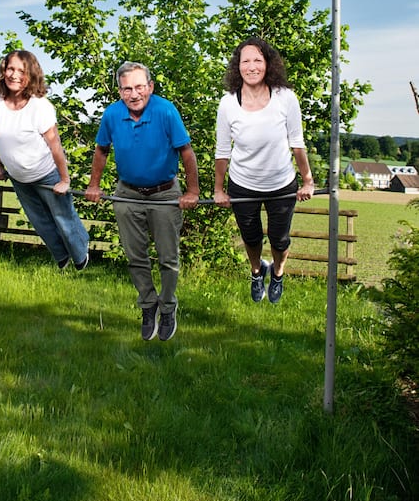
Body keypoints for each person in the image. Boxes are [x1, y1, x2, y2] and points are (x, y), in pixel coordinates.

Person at [85, 61, 199, 341]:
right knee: (136, 257)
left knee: (168, 258)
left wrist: (192, 192)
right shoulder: (112, 114)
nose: (133, 94)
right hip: (128, 193)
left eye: (139, 87)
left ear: (150, 87)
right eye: (127, 89)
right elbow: (101, 150)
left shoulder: (165, 111)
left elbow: (186, 151)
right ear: (120, 91)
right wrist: (94, 185)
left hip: (164, 193)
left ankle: (168, 306)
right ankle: (148, 305)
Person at [213, 37, 314, 304]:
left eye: (258, 60)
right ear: (238, 67)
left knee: (279, 240)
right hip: (243, 183)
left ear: (268, 64)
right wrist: (219, 190)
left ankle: (278, 273)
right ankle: (257, 272)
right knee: (251, 236)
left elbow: (297, 142)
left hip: (280, 184)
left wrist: (307, 181)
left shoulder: (286, 98)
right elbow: (222, 150)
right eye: (245, 61)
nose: (252, 66)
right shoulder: (228, 103)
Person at [0, 50, 89, 271]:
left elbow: (55, 145)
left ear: (31, 75)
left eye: (21, 71)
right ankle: (61, 256)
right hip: (18, 176)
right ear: (3, 70)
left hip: (46, 173)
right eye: (11, 69)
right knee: (39, 220)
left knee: (63, 218)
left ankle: (81, 253)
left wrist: (64, 179)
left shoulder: (39, 106)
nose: (14, 75)